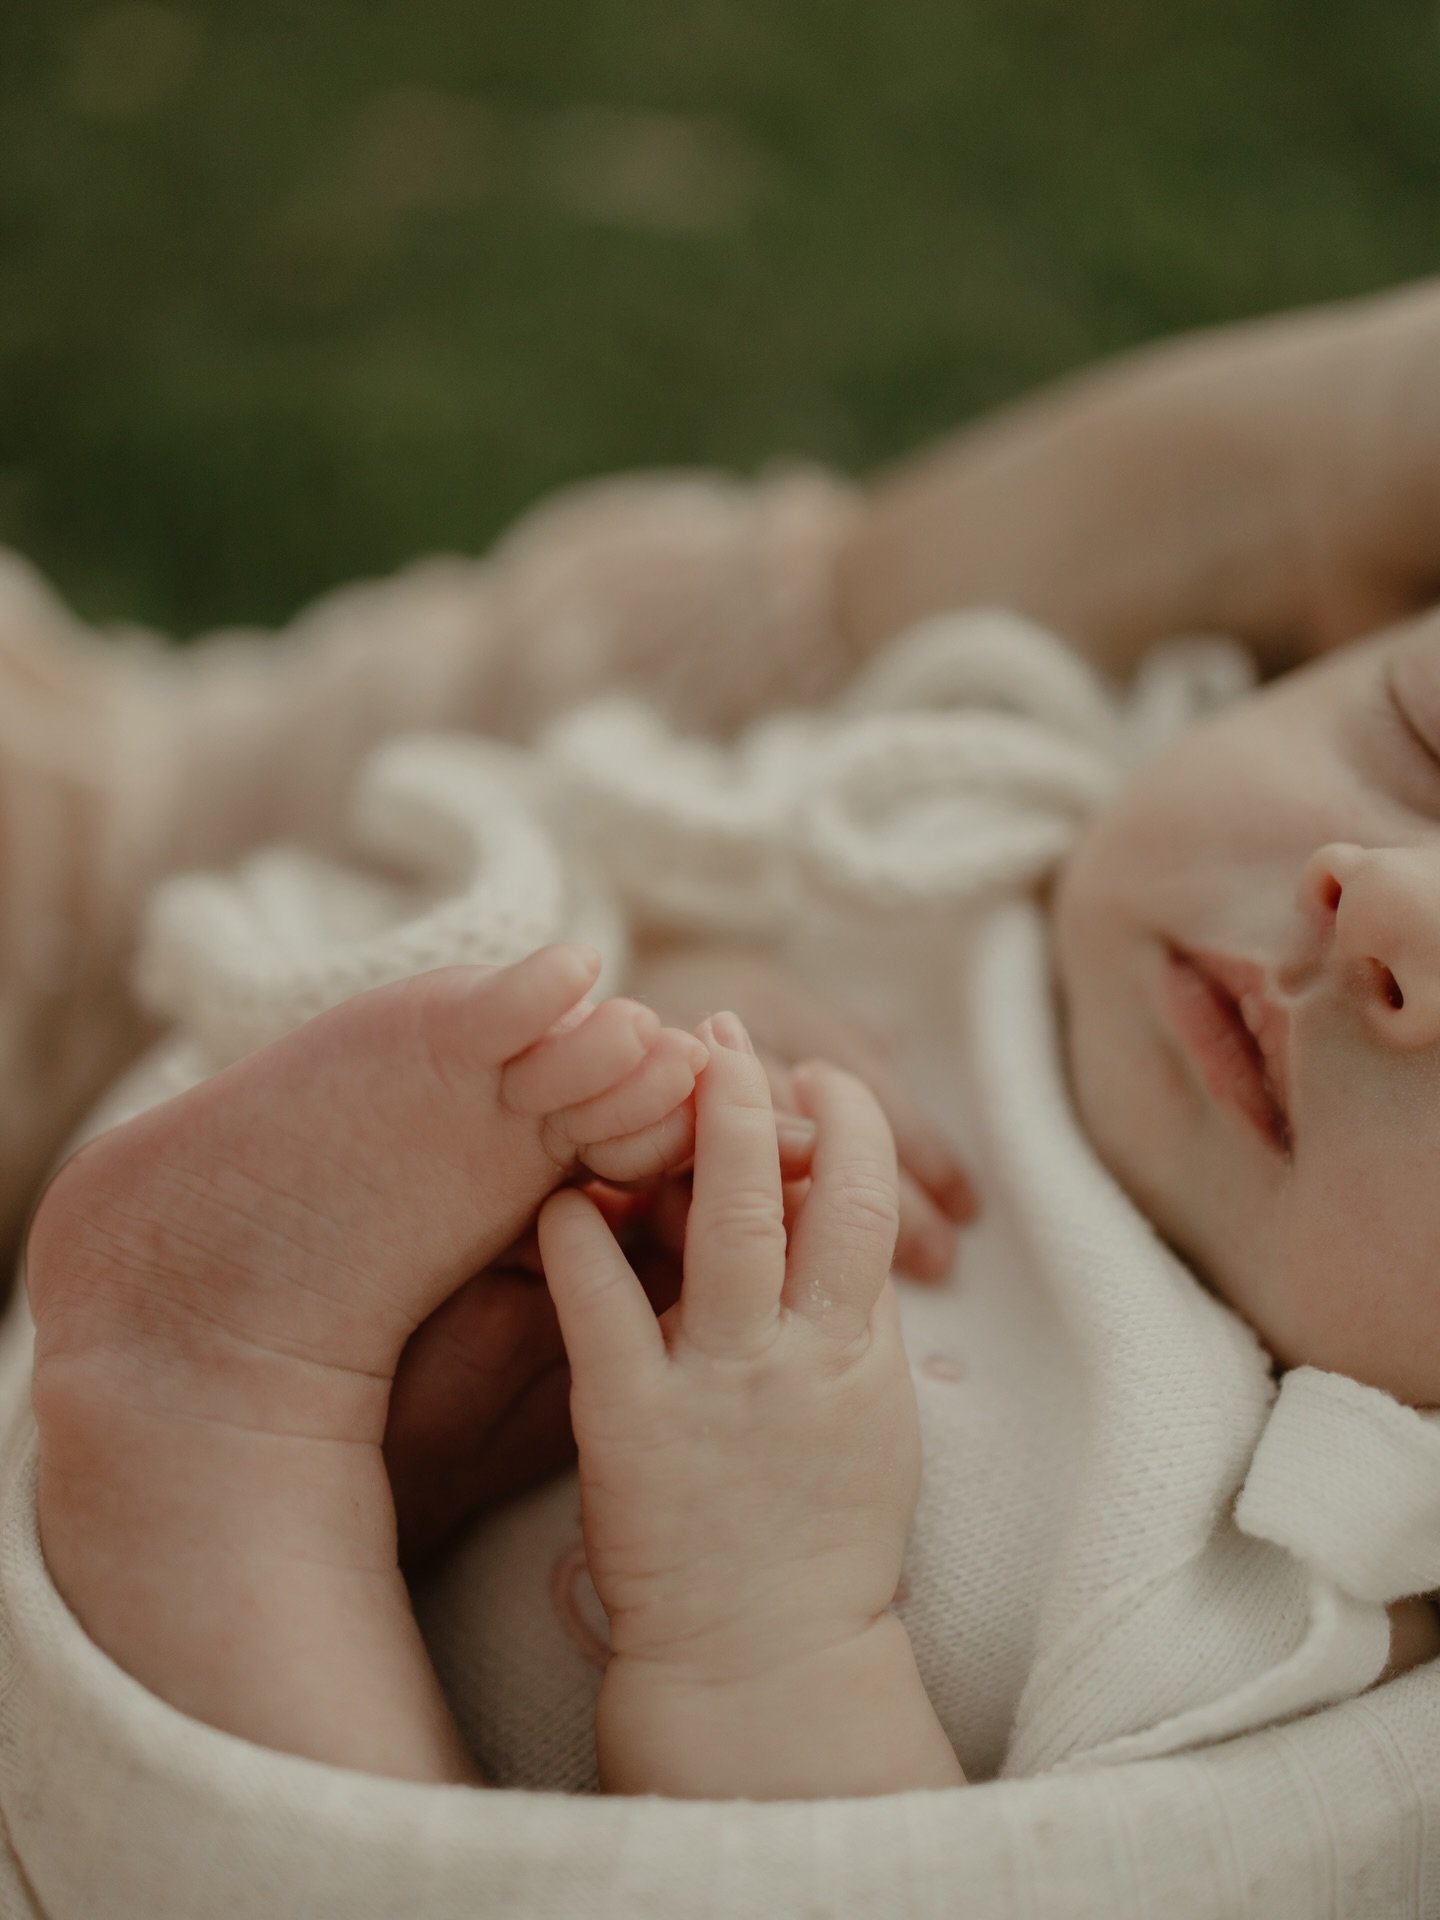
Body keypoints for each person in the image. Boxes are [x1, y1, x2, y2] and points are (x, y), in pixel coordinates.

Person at [10, 279, 1440, 1899]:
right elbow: (568, 810)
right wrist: (642, 1012)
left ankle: (220, 1435)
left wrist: (770, 1626)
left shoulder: (1305, 1589)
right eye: (1421, 746)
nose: (1387, 902)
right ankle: (275, 1401)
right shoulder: (941, 850)